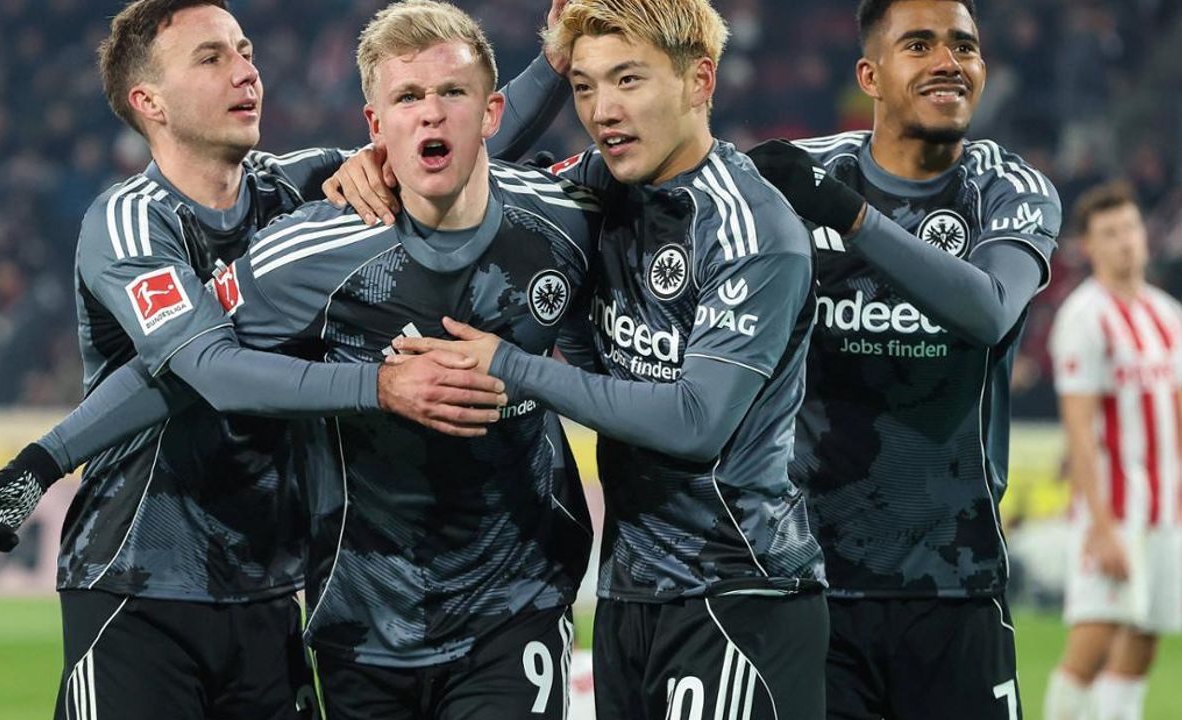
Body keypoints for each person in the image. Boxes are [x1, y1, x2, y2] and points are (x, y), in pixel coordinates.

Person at [0, 1, 571, 718]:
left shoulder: (299, 187)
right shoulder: (130, 221)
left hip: (272, 585)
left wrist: (556, 62)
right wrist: (380, 385)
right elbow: (209, 371)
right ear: (149, 102)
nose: (246, 71)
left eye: (245, 51)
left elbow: (454, 143)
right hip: (139, 581)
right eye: (211, 57)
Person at [389, 0, 829, 717]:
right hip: (631, 592)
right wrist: (376, 163)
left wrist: (514, 366)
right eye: (585, 87)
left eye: (628, 80)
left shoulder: (751, 229)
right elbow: (461, 173)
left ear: (699, 81)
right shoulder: (597, 188)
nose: (603, 111)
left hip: (736, 593)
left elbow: (695, 422)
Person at [741, 1, 1062, 718]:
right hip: (810, 589)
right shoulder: (803, 176)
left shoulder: (1005, 187)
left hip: (958, 588)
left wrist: (851, 217)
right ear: (870, 76)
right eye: (919, 45)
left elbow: (989, 312)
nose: (949, 61)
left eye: (964, 47)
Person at [1044, 182, 1182, 720]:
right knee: (1095, 637)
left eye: (1129, 228)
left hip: (1166, 510)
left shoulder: (1167, 314)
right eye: (1110, 233)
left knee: (1145, 638)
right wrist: (1099, 527)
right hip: (1115, 511)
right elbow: (1079, 430)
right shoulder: (1084, 316)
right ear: (1089, 246)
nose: (1125, 241)